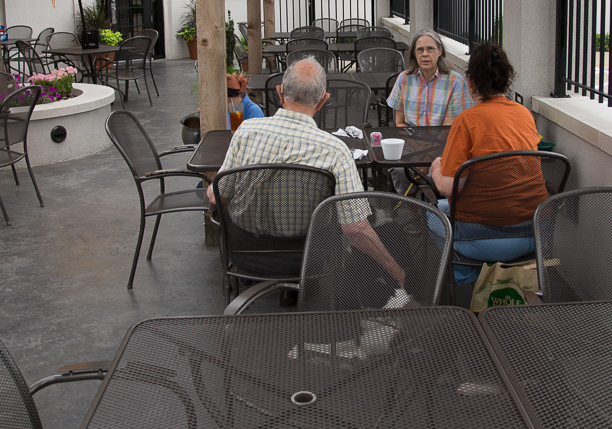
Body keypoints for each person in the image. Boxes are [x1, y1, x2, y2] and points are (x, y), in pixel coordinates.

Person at [207, 57, 406, 294]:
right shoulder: (335, 150)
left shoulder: (245, 132)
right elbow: (355, 229)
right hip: (308, 257)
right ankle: (292, 291)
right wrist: (397, 271)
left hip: (245, 252)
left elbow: (217, 197)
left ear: (280, 93)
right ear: (323, 100)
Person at [428, 42, 548, 284]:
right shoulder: (525, 115)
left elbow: (451, 188)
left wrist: (436, 170)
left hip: (479, 240)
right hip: (534, 233)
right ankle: (496, 284)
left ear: (470, 82)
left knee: (431, 215)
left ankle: (469, 281)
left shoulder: (467, 121)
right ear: (506, 78)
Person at [386, 28, 470, 127]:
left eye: (430, 49)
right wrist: (413, 142)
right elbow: (399, 122)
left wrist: (430, 143)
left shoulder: (455, 82)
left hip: (442, 141)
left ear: (440, 51)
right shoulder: (403, 79)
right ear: (414, 53)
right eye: (420, 50)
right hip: (410, 139)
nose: (425, 54)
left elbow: (448, 128)